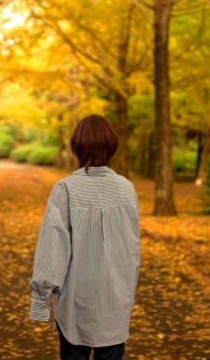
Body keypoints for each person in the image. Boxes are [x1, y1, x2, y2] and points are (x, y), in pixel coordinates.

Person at [29, 114, 141, 360]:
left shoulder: (66, 189)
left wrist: (40, 300)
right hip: (116, 305)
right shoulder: (127, 189)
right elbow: (132, 251)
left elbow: (52, 248)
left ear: (77, 147)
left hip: (75, 308)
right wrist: (127, 294)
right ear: (111, 145)